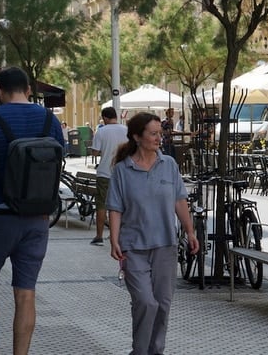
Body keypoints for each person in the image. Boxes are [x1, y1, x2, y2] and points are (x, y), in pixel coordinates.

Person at [0, 67, 65, 355]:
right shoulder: (49, 120)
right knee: (26, 293)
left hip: (0, 218)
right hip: (38, 220)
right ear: (29, 90)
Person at [107, 112, 198, 355]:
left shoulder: (168, 164)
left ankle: (155, 350)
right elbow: (115, 207)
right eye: (154, 134)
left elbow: (180, 200)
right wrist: (113, 239)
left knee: (163, 304)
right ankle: (140, 351)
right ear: (137, 136)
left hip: (165, 246)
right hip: (133, 246)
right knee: (146, 302)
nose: (159, 138)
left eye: (161, 133)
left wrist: (190, 231)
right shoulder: (122, 170)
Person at [89, 106, 128, 245]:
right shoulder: (126, 130)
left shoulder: (101, 131)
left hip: (104, 173)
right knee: (121, 206)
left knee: (101, 205)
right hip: (123, 174)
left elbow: (94, 152)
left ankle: (99, 236)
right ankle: (118, 236)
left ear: (105, 118)